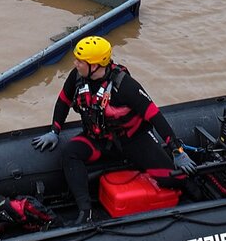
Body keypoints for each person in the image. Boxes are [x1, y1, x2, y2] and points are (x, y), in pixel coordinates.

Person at [31, 36, 195, 223]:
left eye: (80, 61)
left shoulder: (125, 86)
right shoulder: (77, 77)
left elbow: (154, 116)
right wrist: (55, 130)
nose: (75, 63)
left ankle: (195, 190)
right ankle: (86, 212)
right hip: (98, 140)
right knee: (70, 153)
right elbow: (63, 101)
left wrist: (176, 149)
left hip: (133, 140)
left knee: (171, 179)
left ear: (95, 65)